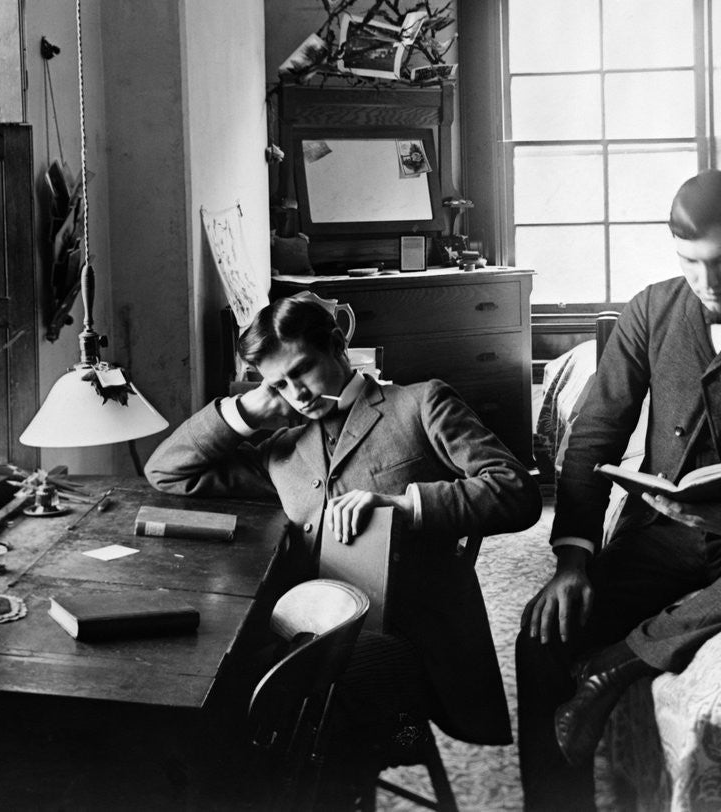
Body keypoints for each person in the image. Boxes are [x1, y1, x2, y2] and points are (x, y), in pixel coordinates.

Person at [516, 169, 721, 810]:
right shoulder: (650, 310)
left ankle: (621, 661)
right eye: (689, 263)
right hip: (655, 536)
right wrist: (573, 559)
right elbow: (594, 438)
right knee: (542, 635)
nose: (707, 282)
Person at [145, 293, 542, 806]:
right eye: (278, 384)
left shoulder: (419, 404)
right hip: (316, 637)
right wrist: (246, 411)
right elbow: (166, 472)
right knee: (224, 690)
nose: (297, 394)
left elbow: (517, 492)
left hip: (406, 652)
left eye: (302, 371)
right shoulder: (283, 449)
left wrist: (406, 506)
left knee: (313, 717)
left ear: (337, 346)